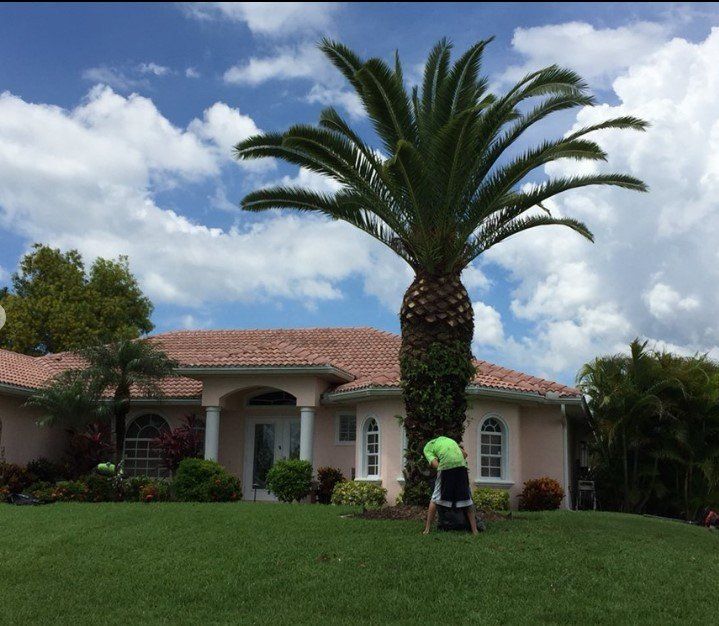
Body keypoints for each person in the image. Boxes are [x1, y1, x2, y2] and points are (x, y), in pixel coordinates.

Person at [422, 435, 478, 535]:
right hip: (462, 466)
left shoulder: (427, 448)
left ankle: (427, 529)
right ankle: (475, 531)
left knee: (435, 498)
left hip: (446, 467)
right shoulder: (449, 440)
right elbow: (465, 454)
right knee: (467, 499)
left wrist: (434, 466)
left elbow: (436, 465)